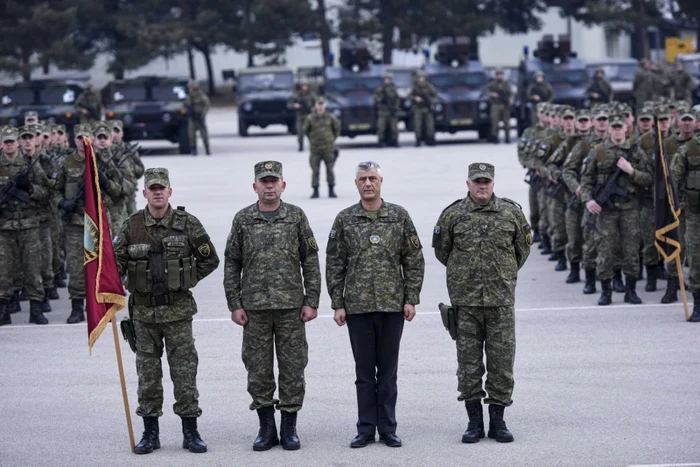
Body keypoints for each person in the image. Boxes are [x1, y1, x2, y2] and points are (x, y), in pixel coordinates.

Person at [113, 168, 220, 455]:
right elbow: (115, 265)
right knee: (148, 375)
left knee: (184, 372)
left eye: (162, 188)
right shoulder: (132, 225)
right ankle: (150, 433)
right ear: (145, 193)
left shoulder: (187, 223)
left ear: (170, 192)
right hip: (144, 316)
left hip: (178, 313)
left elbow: (210, 260)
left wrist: (186, 278)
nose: (158, 192)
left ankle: (191, 431)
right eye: (152, 188)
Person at [326, 160, 425, 448]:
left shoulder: (399, 216)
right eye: (362, 179)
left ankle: (389, 429)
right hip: (357, 307)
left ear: (381, 181)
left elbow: (414, 260)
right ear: (355, 184)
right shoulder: (345, 219)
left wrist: (411, 298)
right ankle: (366, 429)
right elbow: (335, 264)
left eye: (372, 178)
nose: (367, 183)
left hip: (392, 306)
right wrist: (338, 303)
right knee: (364, 374)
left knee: (389, 373)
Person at [224, 160, 321, 451]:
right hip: (254, 310)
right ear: (255, 186)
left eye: (273, 181)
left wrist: (312, 300)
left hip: (291, 307)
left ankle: (289, 427)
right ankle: (266, 428)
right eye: (264, 181)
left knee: (293, 367)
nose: (269, 186)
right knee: (258, 369)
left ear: (283, 185)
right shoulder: (242, 219)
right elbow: (232, 263)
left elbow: (311, 260)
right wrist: (234, 303)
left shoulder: (296, 216)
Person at [433, 162, 531, 444]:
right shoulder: (453, 214)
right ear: (468, 184)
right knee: (468, 364)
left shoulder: (511, 212)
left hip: (500, 302)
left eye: (486, 181)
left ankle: (498, 421)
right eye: (477, 181)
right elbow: (443, 252)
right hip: (466, 304)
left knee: (501, 364)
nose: (482, 186)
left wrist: (501, 276)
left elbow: (521, 250)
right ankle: (474, 422)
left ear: (493, 183)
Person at [580, 114, 653, 305]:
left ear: (626, 129)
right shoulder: (598, 151)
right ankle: (606, 291)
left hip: (630, 208)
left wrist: (631, 171)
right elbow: (586, 180)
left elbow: (648, 178)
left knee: (631, 249)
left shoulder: (635, 151)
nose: (618, 130)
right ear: (610, 129)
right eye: (614, 127)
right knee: (605, 249)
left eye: (621, 127)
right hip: (606, 210)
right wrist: (588, 201)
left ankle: (631, 290)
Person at [0, 126, 50, 326]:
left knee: (32, 268)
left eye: (13, 141)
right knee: (3, 270)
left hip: (29, 225)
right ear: (2, 143)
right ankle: (4, 310)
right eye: (7, 141)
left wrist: (29, 188)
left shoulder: (30, 165)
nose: (10, 145)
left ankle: (36, 310)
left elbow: (46, 191)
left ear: (18, 143)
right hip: (3, 227)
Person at [671, 125, 700, 321]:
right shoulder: (688, 149)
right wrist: (679, 200)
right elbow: (673, 177)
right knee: (696, 256)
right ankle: (698, 303)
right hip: (694, 213)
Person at [303, 97, 340, 199]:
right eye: (318, 104)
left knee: (330, 170)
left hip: (328, 149)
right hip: (315, 149)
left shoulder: (330, 117)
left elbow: (336, 129)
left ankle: (331, 190)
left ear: (325, 105)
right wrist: (313, 140)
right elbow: (306, 130)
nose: (320, 106)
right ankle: (315, 191)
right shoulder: (310, 118)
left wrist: (331, 139)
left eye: (322, 104)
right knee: (315, 171)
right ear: (315, 105)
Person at [408, 71, 438, 146]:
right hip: (418, 108)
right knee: (418, 125)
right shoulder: (415, 87)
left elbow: (435, 96)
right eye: (420, 78)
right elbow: (409, 95)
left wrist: (431, 101)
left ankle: (430, 139)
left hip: (427, 109)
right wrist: (415, 98)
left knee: (430, 125)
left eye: (422, 78)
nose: (421, 79)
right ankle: (418, 140)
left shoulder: (429, 86)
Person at [184, 81, 210, 156]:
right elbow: (186, 104)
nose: (189, 89)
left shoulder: (201, 95)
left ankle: (207, 148)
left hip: (200, 117)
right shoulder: (189, 96)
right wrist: (188, 111)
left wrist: (203, 115)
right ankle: (193, 149)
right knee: (191, 134)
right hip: (192, 118)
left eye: (191, 87)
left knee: (204, 134)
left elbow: (207, 105)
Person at [487, 68, 513, 144]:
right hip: (496, 105)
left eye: (501, 75)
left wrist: (511, 100)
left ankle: (507, 137)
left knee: (506, 122)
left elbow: (511, 93)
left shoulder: (506, 84)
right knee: (495, 122)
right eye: (498, 75)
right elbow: (487, 92)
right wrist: (492, 94)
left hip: (505, 105)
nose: (500, 76)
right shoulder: (492, 84)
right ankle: (495, 137)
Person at [374, 74, 400, 148]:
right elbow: (376, 98)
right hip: (383, 111)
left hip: (392, 111)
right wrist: (381, 99)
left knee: (394, 128)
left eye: (388, 79)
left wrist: (395, 107)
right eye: (385, 79)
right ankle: (380, 141)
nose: (387, 81)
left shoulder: (393, 88)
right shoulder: (380, 89)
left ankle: (395, 141)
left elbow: (397, 99)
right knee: (381, 127)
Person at [289, 83, 317, 152]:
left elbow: (317, 103)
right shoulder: (297, 95)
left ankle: (313, 146)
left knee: (310, 131)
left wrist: (313, 109)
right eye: (303, 86)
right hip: (300, 116)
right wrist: (294, 105)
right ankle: (300, 145)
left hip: (309, 116)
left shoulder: (311, 95)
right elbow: (289, 104)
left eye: (306, 86)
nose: (305, 88)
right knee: (300, 132)